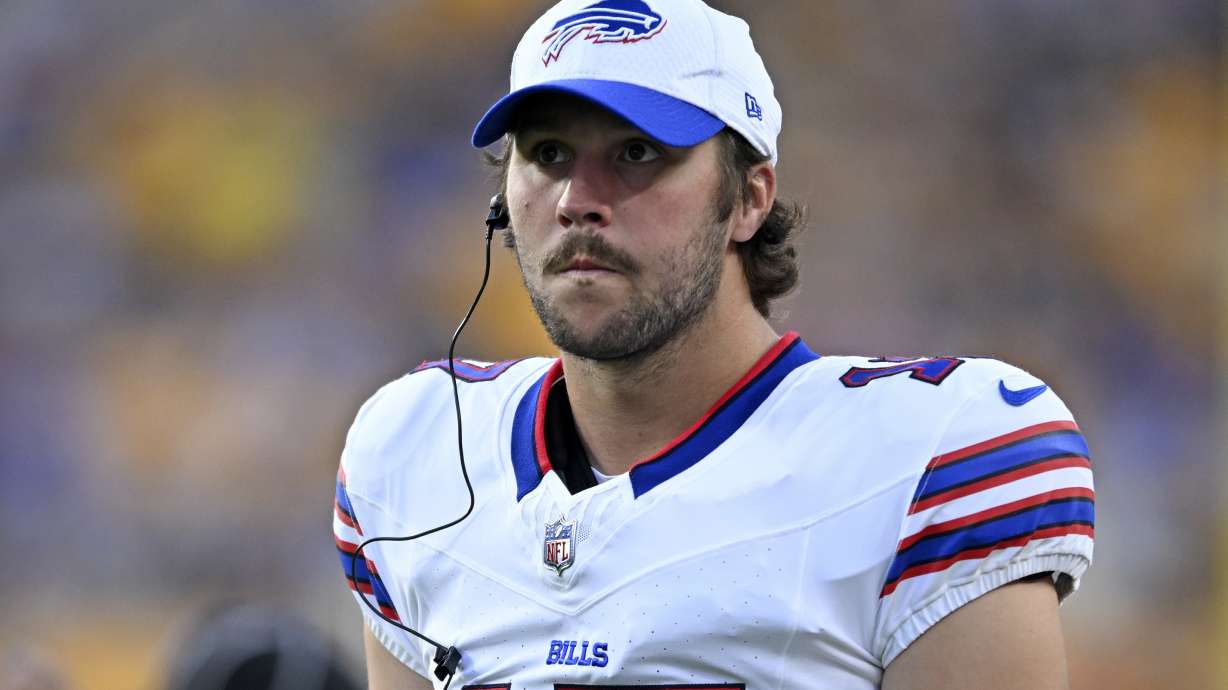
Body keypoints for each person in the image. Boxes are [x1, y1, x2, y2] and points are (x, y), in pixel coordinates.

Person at [332, 1, 1095, 688]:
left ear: (748, 198)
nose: (577, 201)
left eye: (636, 154)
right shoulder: (417, 451)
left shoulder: (927, 454)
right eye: (549, 154)